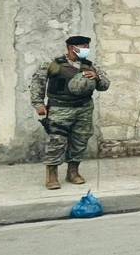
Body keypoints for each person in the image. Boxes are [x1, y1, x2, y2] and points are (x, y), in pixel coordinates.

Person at [28, 35, 111, 190]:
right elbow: (37, 82)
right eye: (83, 46)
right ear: (72, 48)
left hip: (84, 108)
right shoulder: (53, 64)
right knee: (56, 141)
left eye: (87, 46)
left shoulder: (90, 65)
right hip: (60, 108)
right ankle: (52, 174)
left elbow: (105, 85)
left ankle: (73, 172)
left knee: (80, 140)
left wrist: (97, 77)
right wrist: (38, 104)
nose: (86, 49)